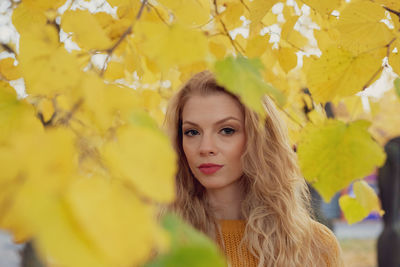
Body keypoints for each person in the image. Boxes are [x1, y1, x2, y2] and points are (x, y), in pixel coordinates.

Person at [162, 70, 344, 267]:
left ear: (259, 139)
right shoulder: (157, 244)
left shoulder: (316, 246)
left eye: (227, 130)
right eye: (192, 132)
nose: (205, 148)